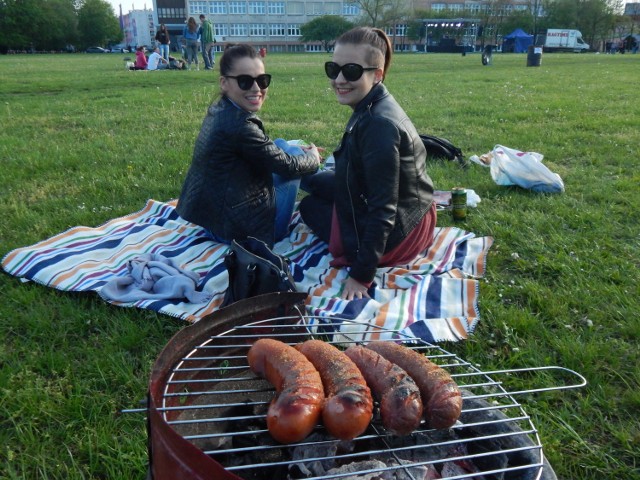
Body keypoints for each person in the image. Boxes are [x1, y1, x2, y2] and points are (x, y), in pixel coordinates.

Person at [299, 26, 437, 301]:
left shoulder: (378, 126)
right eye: (333, 69)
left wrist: (361, 275)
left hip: (399, 234)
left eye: (351, 71)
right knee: (313, 182)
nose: (339, 79)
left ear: (377, 75)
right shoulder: (373, 103)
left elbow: (383, 208)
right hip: (412, 211)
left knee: (309, 207)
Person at [176, 44, 321, 247]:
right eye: (245, 81)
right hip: (242, 232)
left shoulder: (220, 109)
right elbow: (288, 166)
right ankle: (324, 189)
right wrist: (313, 158)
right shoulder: (241, 126)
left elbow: (268, 153)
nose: (256, 88)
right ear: (224, 83)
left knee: (281, 144)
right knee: (295, 154)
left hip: (213, 218)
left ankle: (320, 183)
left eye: (262, 80)